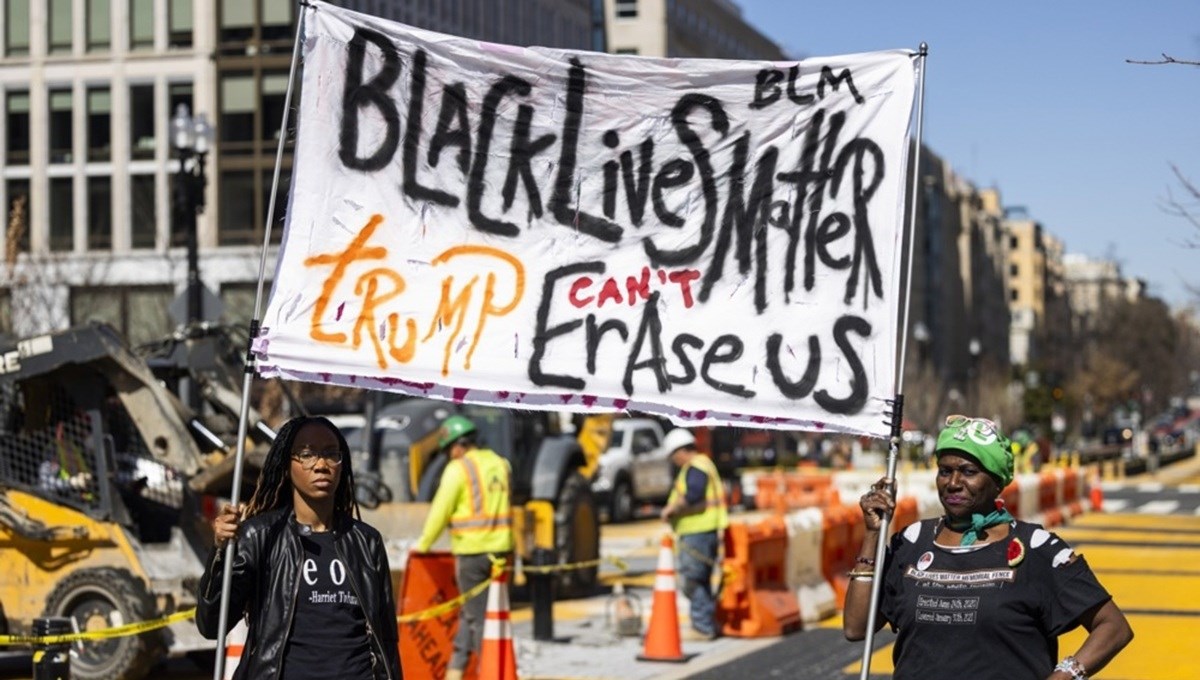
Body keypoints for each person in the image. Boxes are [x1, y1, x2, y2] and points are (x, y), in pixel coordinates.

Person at [844, 414, 1133, 680]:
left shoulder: (1036, 548)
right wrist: (872, 535)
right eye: (945, 471)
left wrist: (1065, 675)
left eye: (968, 471)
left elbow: (1113, 628)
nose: (953, 483)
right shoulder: (911, 541)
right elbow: (856, 628)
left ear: (997, 482)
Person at [196, 415, 402, 680]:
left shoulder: (366, 541)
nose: (321, 465)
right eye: (306, 454)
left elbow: (386, 640)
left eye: (331, 454)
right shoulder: (260, 535)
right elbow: (211, 623)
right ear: (286, 465)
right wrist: (221, 551)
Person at [413, 415, 513, 680]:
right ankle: (455, 672)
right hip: (501, 554)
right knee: (476, 618)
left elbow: (440, 512)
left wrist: (422, 545)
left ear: (457, 446)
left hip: (472, 555)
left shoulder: (458, 469)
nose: (449, 456)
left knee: (481, 623)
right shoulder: (500, 464)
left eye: (448, 451)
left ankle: (489, 673)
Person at [659, 428, 728, 641]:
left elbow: (694, 495)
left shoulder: (695, 467)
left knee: (693, 581)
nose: (674, 460)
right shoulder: (704, 463)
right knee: (702, 580)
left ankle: (702, 626)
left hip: (696, 532)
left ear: (680, 451)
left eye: (673, 455)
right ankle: (707, 624)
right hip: (703, 531)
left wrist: (671, 510)